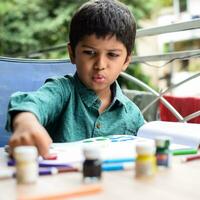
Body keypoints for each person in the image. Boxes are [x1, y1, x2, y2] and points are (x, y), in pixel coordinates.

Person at [6, 0, 144, 158]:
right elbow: (31, 103)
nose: (100, 65)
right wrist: (26, 121)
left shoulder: (132, 115)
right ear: (72, 53)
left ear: (126, 61)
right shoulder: (62, 91)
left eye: (112, 55)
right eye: (90, 52)